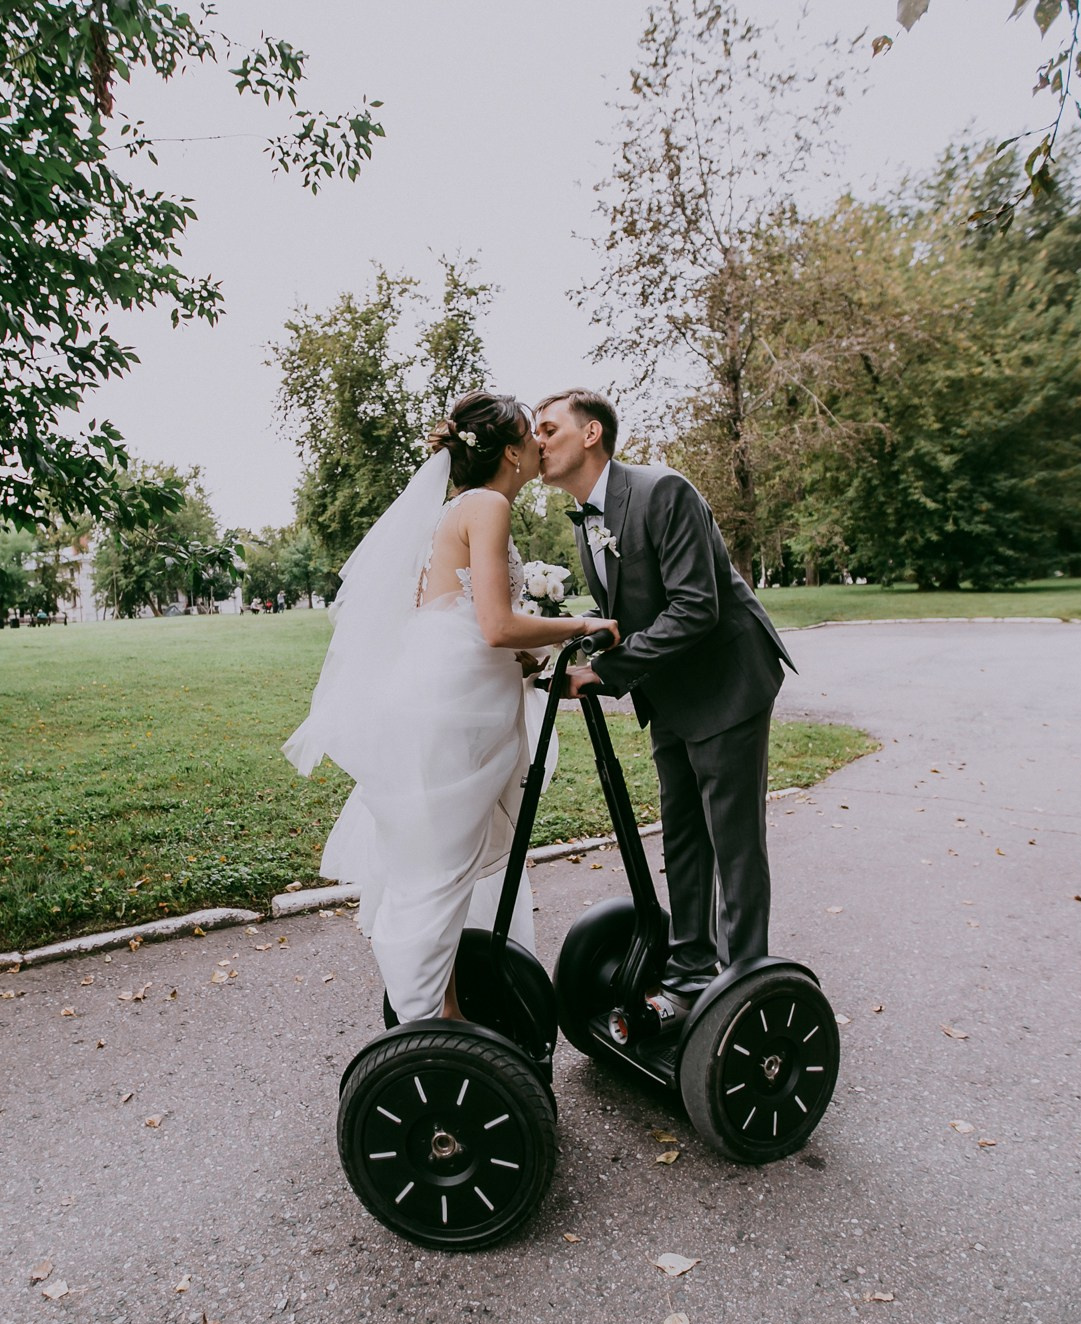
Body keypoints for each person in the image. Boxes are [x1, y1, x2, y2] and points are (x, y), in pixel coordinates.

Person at [285, 391, 619, 1024]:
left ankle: (449, 1017)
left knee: (441, 872)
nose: (543, 445)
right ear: (513, 451)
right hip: (455, 713)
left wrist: (536, 658)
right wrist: (583, 626)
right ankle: (424, 1034)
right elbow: (493, 626)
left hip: (447, 699)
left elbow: (454, 622)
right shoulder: (488, 505)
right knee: (436, 879)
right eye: (534, 434)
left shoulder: (455, 511)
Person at [533, 388, 796, 1021]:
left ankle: (743, 989)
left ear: (591, 433)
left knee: (732, 841)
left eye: (548, 428)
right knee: (681, 835)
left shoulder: (661, 490)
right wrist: (570, 638)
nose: (536, 441)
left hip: (726, 682)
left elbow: (696, 607)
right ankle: (687, 974)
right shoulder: (588, 519)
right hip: (671, 692)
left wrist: (605, 673)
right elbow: (631, 614)